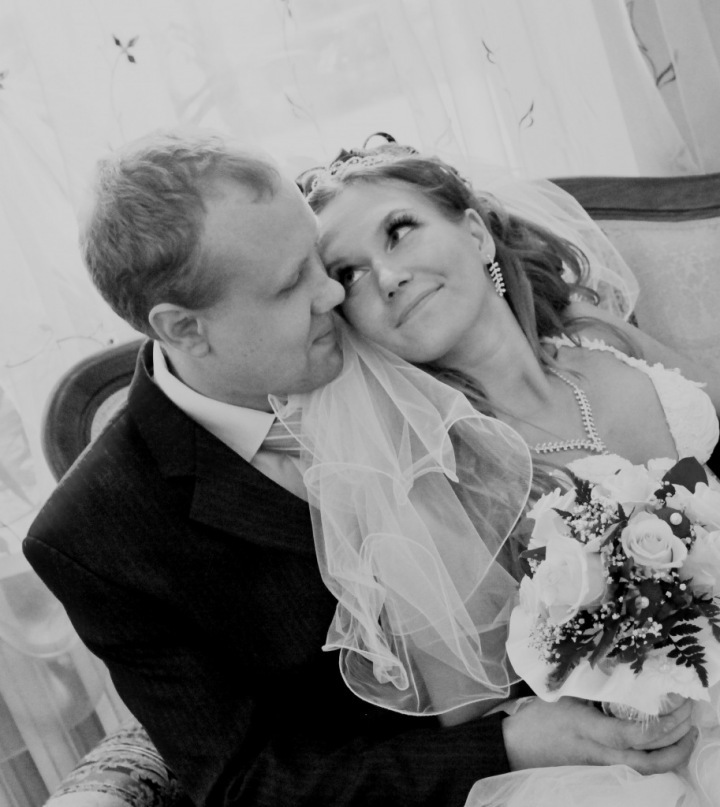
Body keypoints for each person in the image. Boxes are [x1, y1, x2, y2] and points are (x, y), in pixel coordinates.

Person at [22, 128, 696, 807]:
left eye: (321, 262)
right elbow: (244, 783)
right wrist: (509, 743)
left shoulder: (399, 345)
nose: (335, 295)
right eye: (294, 282)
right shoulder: (97, 535)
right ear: (184, 329)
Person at [289, 139, 720, 805]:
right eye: (350, 274)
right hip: (653, 751)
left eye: (399, 231)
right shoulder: (432, 482)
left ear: (474, 231)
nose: (388, 276)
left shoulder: (598, 338)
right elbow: (473, 713)